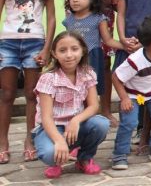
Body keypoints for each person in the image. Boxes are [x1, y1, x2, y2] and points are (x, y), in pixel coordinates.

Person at [0, 0, 56, 165]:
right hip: (7, 44)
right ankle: (3, 143)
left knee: (33, 94)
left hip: (35, 43)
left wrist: (47, 47)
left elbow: (51, 19)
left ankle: (29, 141)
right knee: (6, 94)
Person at [32, 31, 110, 178]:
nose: (69, 55)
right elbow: (46, 117)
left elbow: (94, 106)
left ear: (82, 51)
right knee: (49, 153)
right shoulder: (48, 78)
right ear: (54, 54)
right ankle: (55, 162)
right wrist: (59, 140)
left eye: (74, 49)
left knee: (101, 124)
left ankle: (84, 158)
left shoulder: (88, 74)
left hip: (76, 127)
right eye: (62, 50)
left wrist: (76, 120)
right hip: (51, 128)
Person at [111, 15, 151, 169]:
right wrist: (124, 98)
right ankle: (119, 155)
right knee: (130, 122)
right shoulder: (135, 60)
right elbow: (116, 77)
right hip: (134, 95)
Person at [63, 0, 124, 102]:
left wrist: (126, 46)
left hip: (92, 58)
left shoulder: (99, 18)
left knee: (90, 92)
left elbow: (108, 40)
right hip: (73, 59)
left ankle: (89, 117)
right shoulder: (69, 19)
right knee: (73, 90)